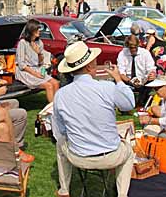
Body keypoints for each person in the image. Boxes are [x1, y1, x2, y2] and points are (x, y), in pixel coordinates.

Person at [53, 41, 135, 197]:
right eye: (95, 61)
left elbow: (61, 130)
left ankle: (64, 190)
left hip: (78, 157)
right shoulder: (107, 87)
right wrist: (118, 80)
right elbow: (129, 104)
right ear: (89, 67)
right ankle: (122, 194)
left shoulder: (60, 95)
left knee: (61, 142)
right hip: (109, 156)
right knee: (129, 151)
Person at [15, 19, 59, 102]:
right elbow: (22, 65)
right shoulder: (23, 43)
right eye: (37, 29)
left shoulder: (39, 43)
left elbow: (41, 63)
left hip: (37, 69)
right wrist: (36, 74)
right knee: (48, 86)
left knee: (56, 83)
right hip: (26, 71)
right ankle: (52, 110)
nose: (40, 30)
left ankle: (57, 105)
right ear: (31, 30)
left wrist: (39, 53)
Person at [117, 35, 156, 107]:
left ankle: (142, 101)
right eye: (131, 48)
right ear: (127, 46)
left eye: (136, 47)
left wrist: (151, 75)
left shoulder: (145, 53)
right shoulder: (122, 54)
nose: (134, 49)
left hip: (144, 80)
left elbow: (151, 69)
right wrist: (130, 81)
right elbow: (121, 73)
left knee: (152, 82)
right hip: (127, 80)